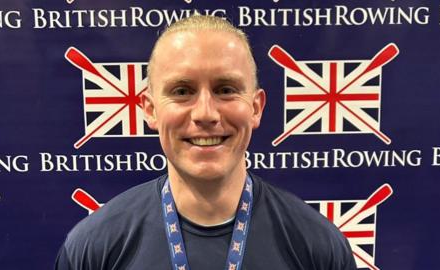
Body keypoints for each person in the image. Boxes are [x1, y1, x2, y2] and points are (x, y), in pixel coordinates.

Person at [55, 15, 357, 270]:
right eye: (182, 91)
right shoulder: (93, 249)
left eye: (225, 89)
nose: (205, 114)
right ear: (150, 110)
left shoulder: (318, 247)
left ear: (255, 108)